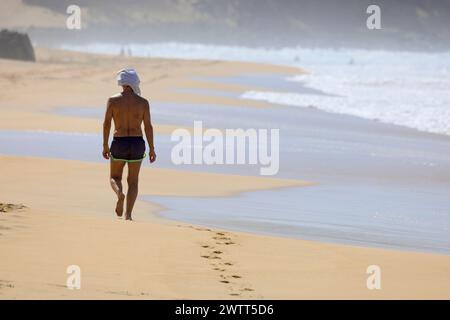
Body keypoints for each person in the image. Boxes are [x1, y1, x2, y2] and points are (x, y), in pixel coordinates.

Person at [102, 68, 156, 220]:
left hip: (119, 142)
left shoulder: (112, 101)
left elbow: (106, 124)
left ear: (122, 83)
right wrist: (152, 149)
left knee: (114, 177)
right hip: (137, 143)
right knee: (133, 181)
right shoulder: (143, 103)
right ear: (134, 83)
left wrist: (105, 145)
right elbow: (148, 127)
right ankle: (128, 215)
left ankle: (120, 193)